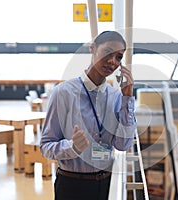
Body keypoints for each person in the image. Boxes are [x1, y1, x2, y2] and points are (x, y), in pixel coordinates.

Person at [40, 31, 137, 200]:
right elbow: (46, 147)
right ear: (92, 48)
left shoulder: (116, 97)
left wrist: (127, 98)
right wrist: (72, 147)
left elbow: (123, 144)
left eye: (118, 57)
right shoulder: (63, 93)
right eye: (107, 52)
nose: (112, 61)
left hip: (106, 184)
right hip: (72, 186)